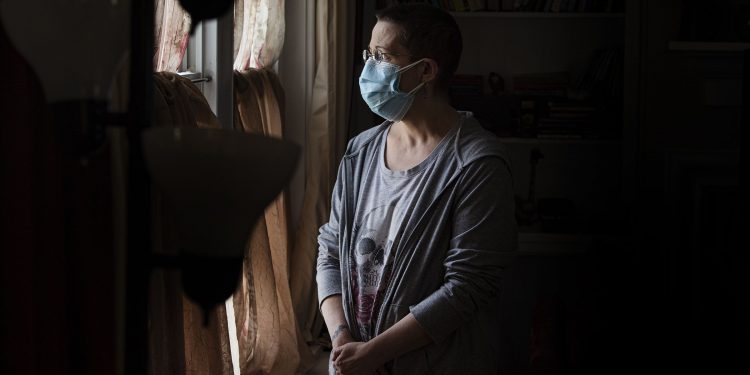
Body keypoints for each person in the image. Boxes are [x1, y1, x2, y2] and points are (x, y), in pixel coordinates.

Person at [316, 4, 517, 374]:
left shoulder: (477, 165)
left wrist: (375, 352)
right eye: (369, 54)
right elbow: (330, 250)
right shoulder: (360, 151)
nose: (369, 69)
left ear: (425, 70)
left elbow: (466, 288)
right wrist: (342, 337)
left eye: (383, 56)